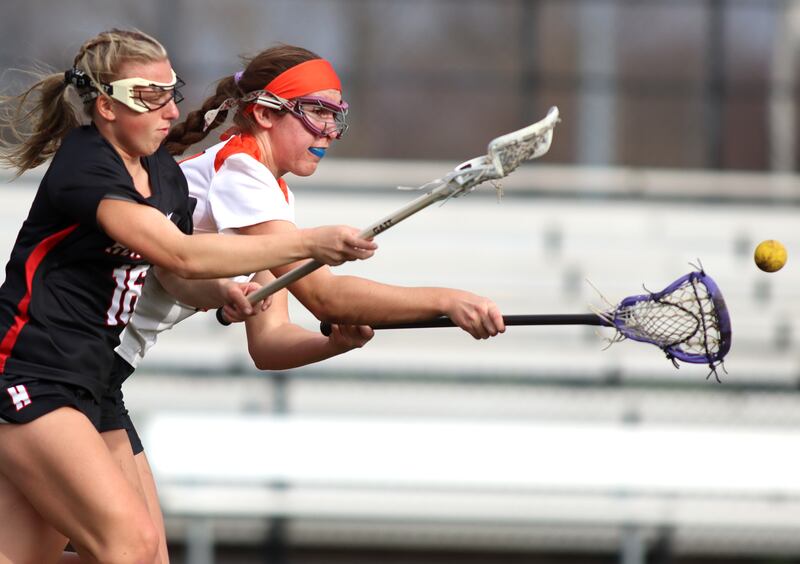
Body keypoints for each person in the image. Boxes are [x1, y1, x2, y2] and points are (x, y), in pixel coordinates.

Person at [91, 43, 507, 563]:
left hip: (103, 376)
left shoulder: (267, 195)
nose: (330, 132)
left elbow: (268, 343)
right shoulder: (240, 172)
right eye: (316, 113)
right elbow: (327, 296)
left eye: (337, 117)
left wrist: (333, 345)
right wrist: (447, 299)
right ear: (265, 114)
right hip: (76, 364)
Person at [0, 29, 377, 564]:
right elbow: (178, 254)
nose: (172, 111)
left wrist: (223, 291)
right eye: (150, 96)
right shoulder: (86, 167)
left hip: (92, 382)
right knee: (129, 547)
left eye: (171, 92)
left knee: (129, 556)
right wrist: (308, 243)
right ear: (106, 106)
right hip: (29, 372)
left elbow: (175, 275)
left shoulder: (161, 175)